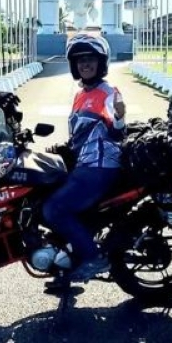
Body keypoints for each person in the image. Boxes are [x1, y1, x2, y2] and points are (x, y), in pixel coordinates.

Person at [43, 32, 127, 281]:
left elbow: (118, 129)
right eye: (80, 60)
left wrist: (119, 119)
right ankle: (66, 261)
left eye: (90, 59)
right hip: (84, 164)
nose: (85, 64)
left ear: (101, 63)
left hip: (100, 167)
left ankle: (92, 258)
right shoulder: (82, 94)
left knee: (54, 209)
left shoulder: (108, 92)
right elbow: (81, 133)